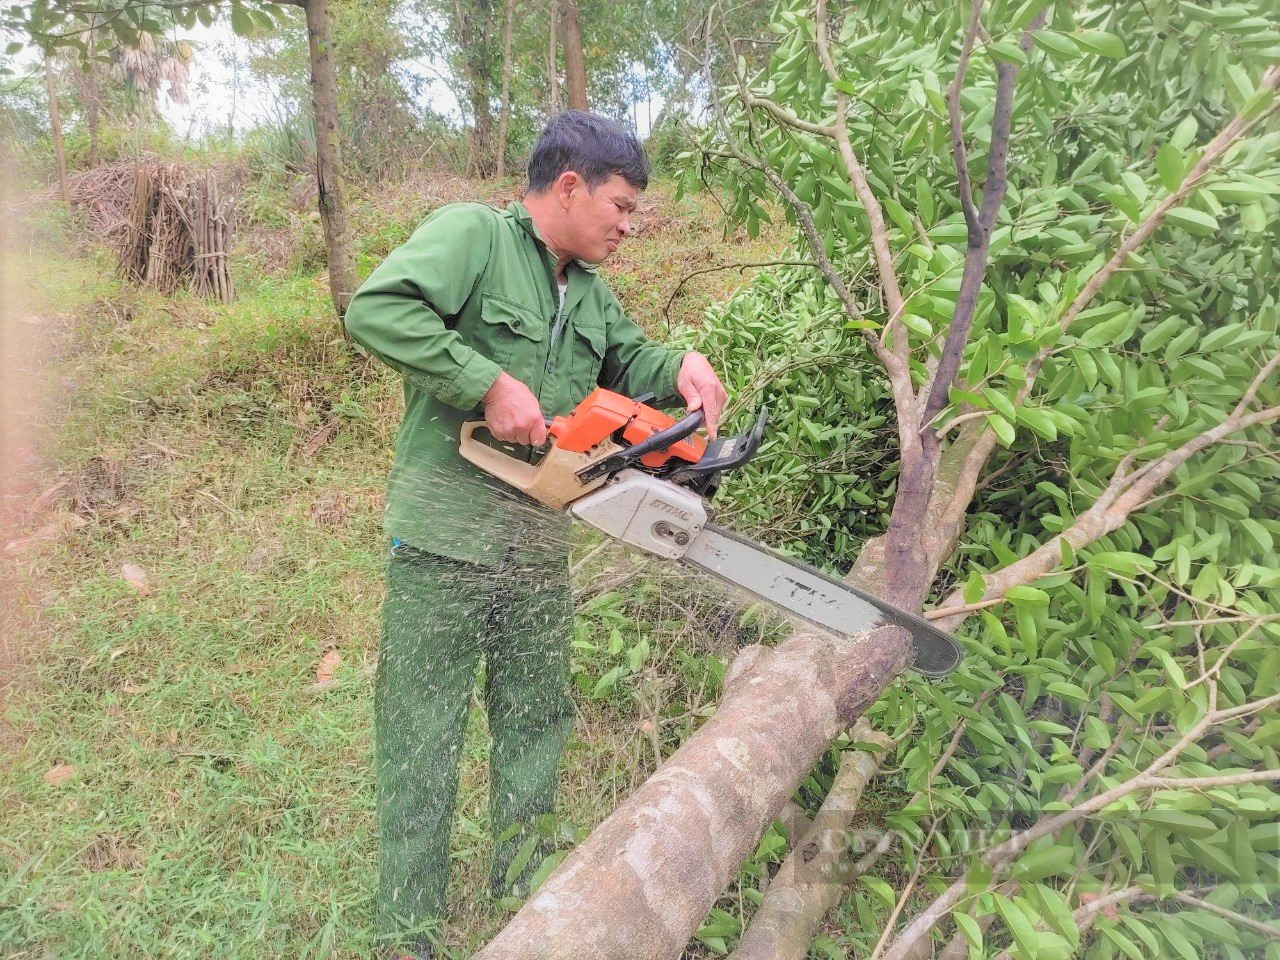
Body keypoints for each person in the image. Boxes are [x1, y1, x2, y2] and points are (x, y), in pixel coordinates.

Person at [343, 110, 728, 958]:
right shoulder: (474, 238)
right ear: (567, 187)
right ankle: (407, 934)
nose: (628, 225)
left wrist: (683, 366)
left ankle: (525, 894)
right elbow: (376, 309)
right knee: (422, 733)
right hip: (444, 543)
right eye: (621, 207)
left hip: (538, 543)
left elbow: (633, 360)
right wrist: (485, 382)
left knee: (535, 719)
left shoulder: (588, 287)